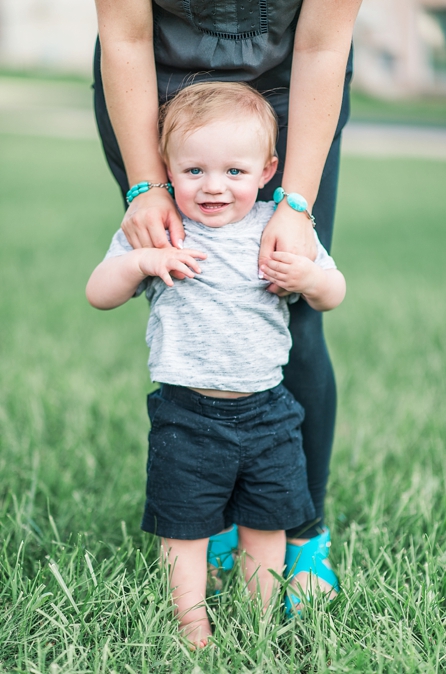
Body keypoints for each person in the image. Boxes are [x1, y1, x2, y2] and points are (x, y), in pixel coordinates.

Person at [91, 0, 362, 602]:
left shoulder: (268, 166)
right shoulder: (176, 162)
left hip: (295, 86)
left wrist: (295, 209)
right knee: (186, 289)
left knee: (297, 316)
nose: (216, 190)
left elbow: (323, 42)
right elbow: (124, 31)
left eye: (236, 178)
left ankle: (302, 531)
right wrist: (147, 185)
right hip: (154, 89)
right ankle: (209, 510)